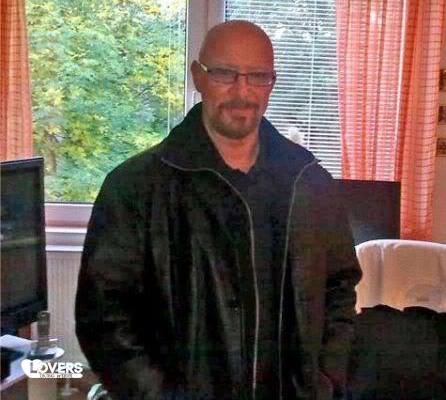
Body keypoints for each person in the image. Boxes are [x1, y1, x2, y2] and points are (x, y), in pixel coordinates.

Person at [75, 20, 362, 400]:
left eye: (257, 76)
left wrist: (324, 379)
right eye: (225, 73)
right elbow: (104, 319)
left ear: (272, 82)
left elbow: (339, 288)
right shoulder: (134, 188)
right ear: (198, 76)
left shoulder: (309, 182)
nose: (242, 92)